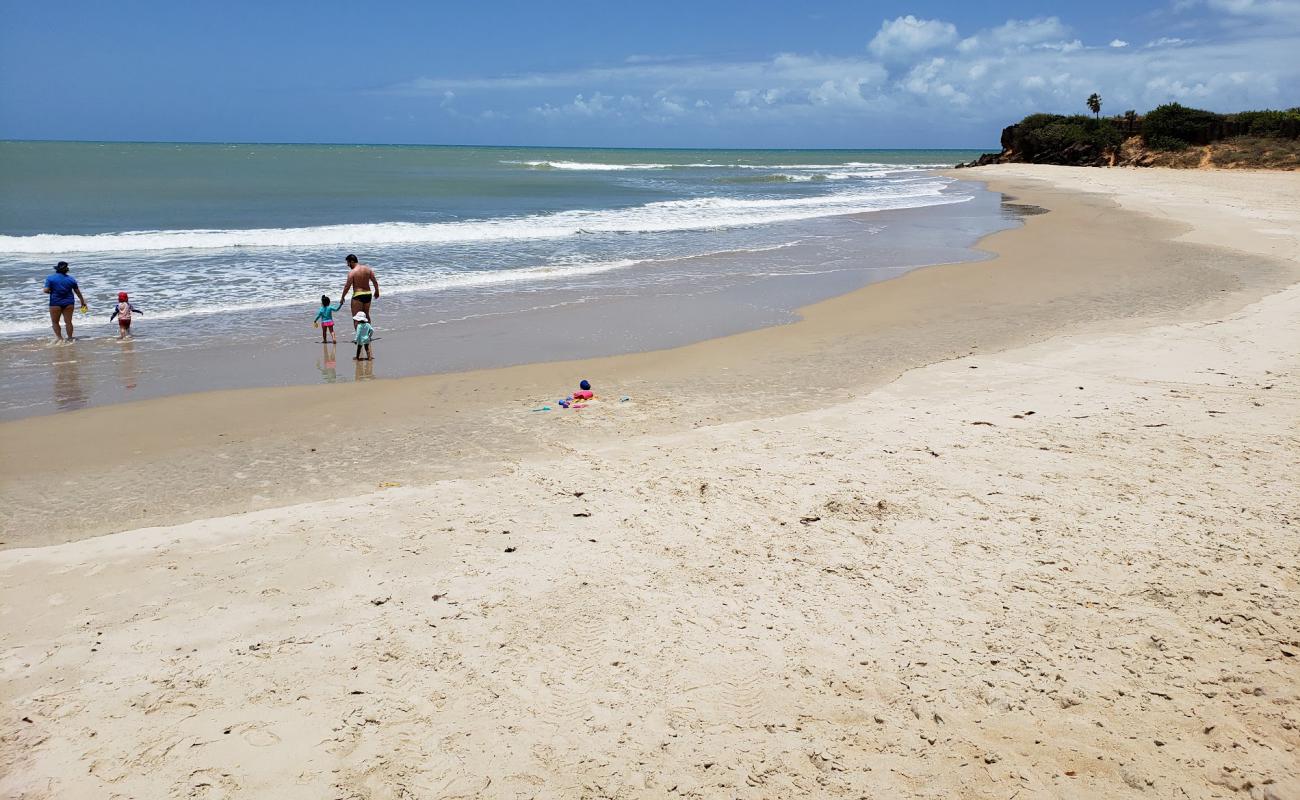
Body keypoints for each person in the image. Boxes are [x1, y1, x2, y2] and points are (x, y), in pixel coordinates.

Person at [43, 261, 87, 341]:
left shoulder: (50, 278)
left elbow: (46, 290)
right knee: (68, 322)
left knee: (55, 322)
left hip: (55, 303)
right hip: (69, 303)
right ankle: (70, 338)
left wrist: (52, 292)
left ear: (57, 269)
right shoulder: (71, 279)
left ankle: (60, 338)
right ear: (66, 270)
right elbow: (77, 292)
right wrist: (82, 302)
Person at [339, 254, 379, 329]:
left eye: (348, 263)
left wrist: (342, 297)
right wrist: (377, 291)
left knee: (356, 317)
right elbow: (374, 281)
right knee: (366, 315)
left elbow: (347, 286)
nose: (348, 265)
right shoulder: (368, 269)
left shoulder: (352, 272)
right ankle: (368, 334)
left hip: (358, 295)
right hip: (368, 294)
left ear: (352, 261)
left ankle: (358, 337)